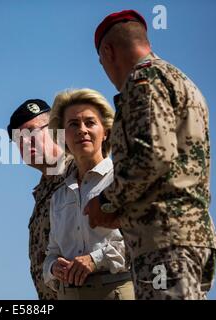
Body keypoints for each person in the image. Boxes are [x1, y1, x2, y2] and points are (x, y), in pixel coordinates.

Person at [85, 10, 216, 299]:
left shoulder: (142, 80)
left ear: (108, 52)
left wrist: (106, 203)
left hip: (163, 244)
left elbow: (153, 157)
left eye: (101, 63)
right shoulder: (179, 80)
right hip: (187, 239)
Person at [43, 88, 134, 300]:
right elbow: (51, 253)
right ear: (63, 136)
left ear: (106, 132)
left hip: (116, 292)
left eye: (90, 123)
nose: (82, 130)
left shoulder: (123, 180)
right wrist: (54, 267)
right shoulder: (59, 197)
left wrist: (95, 259)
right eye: (73, 124)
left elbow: (140, 241)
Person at [8, 99, 74, 299]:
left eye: (31, 132)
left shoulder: (83, 174)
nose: (25, 142)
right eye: (19, 138)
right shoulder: (43, 191)